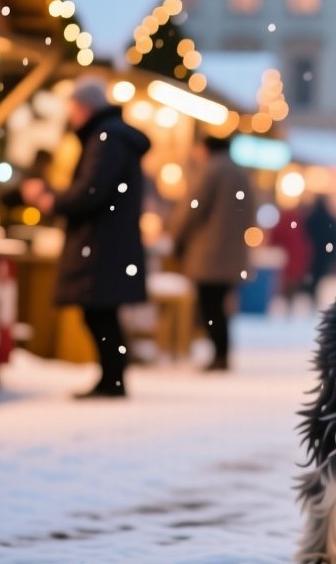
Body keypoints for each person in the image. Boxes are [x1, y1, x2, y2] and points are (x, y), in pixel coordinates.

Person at [23, 78, 151, 399]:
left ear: (84, 107)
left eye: (73, 108)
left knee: (99, 311)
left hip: (101, 242)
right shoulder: (111, 136)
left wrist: (53, 201)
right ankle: (112, 377)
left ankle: (113, 379)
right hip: (109, 240)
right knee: (102, 312)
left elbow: (91, 190)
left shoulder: (106, 138)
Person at [168, 135, 255, 372]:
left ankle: (219, 354)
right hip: (231, 252)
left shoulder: (211, 171)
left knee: (209, 305)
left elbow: (193, 208)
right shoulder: (241, 174)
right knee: (218, 305)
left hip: (208, 252)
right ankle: (221, 353)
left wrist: (175, 234)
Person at [302, 199, 336, 309]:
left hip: (313, 252)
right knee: (318, 275)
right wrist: (333, 252)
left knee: (313, 275)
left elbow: (305, 234)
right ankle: (312, 294)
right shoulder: (328, 219)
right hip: (323, 253)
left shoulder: (312, 219)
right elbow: (334, 235)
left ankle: (311, 293)